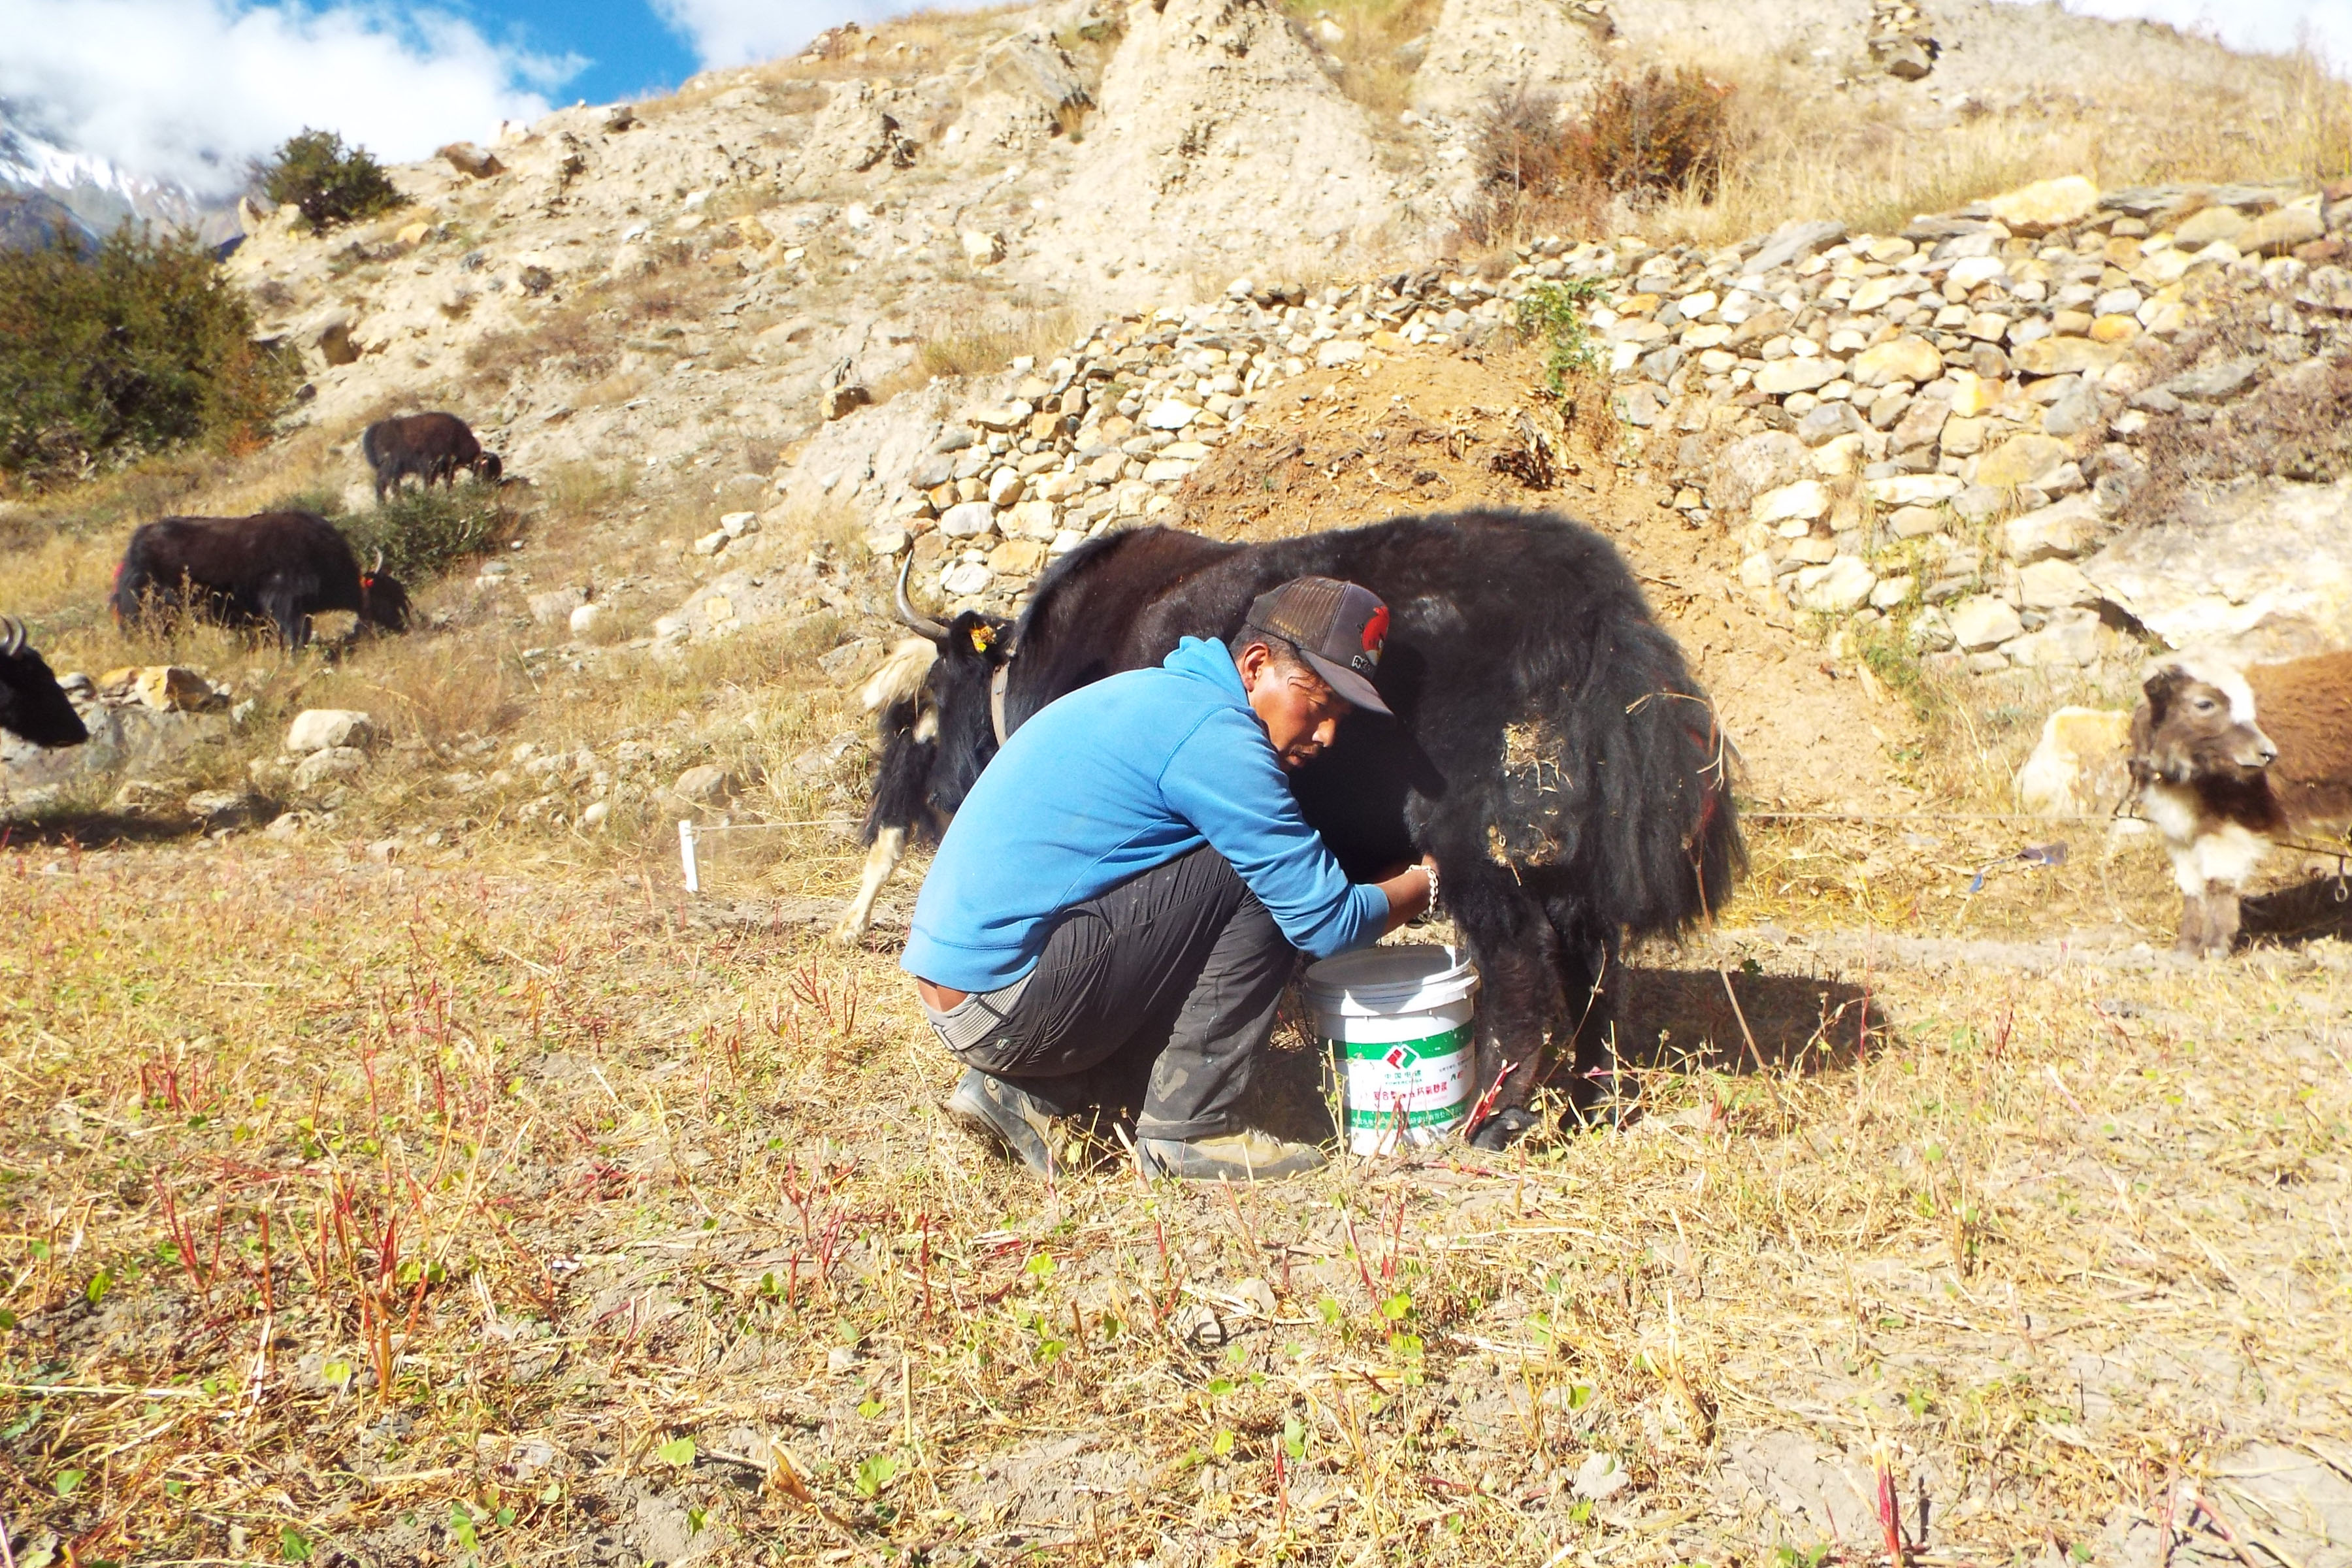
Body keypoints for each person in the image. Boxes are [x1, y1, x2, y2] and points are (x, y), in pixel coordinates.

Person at [902, 575, 1438, 1183]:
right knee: (1260, 877)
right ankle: (1194, 1127)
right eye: (1315, 705)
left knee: (1224, 870)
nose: (1327, 735)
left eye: (1339, 716)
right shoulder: (1218, 737)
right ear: (1256, 664)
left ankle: (1030, 1095)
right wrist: (1426, 884)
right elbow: (1325, 922)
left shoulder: (1159, 694)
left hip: (962, 994)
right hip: (1005, 1007)